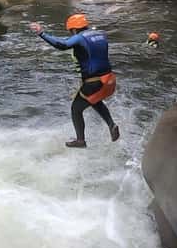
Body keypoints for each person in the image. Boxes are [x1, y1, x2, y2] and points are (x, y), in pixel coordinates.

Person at [30, 14, 120, 148]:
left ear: (73, 29)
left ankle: (80, 141)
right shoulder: (101, 34)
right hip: (110, 80)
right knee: (94, 101)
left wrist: (41, 33)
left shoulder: (80, 38)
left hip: (95, 82)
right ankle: (111, 125)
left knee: (76, 109)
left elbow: (62, 44)